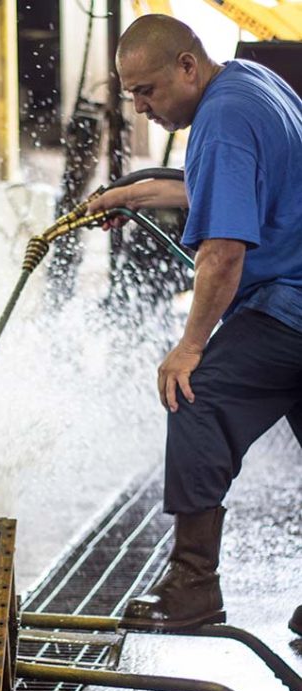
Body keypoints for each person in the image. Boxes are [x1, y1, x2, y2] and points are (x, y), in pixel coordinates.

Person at [88, 14, 302, 635]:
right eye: (130, 95)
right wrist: (132, 194)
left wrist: (189, 347)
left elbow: (224, 250)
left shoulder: (223, 121)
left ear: (187, 66)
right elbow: (223, 184)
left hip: (288, 304)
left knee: (196, 394)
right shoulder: (249, 80)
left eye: (147, 91)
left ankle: (193, 585)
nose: (140, 107)